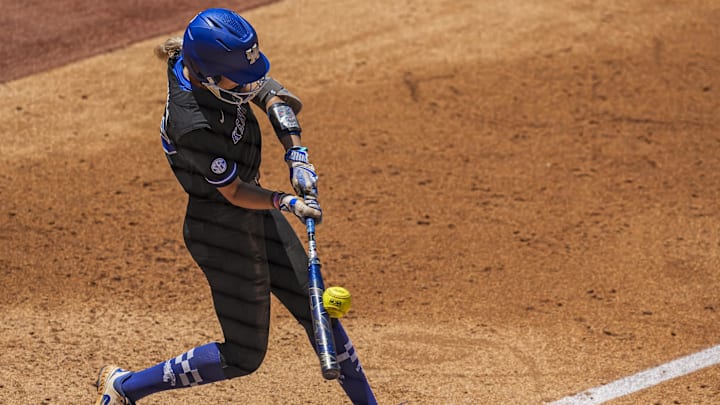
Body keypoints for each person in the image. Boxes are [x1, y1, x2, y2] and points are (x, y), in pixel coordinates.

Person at [94, 8, 377, 405]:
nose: (251, 85)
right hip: (221, 230)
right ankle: (123, 388)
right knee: (244, 355)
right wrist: (286, 201)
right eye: (240, 79)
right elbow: (235, 193)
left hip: (254, 211)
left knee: (318, 312)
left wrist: (297, 154)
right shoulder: (190, 122)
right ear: (208, 77)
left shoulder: (203, 65)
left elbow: (271, 94)